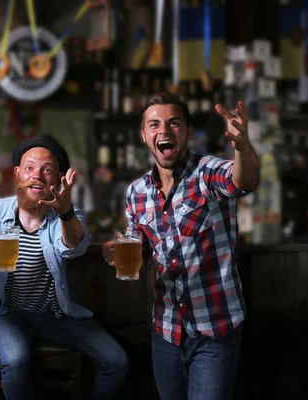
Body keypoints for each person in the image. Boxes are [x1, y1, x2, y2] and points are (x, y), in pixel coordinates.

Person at [101, 92, 259, 400]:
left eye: (174, 123)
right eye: (154, 124)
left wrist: (242, 147)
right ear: (144, 135)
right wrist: (118, 253)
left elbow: (243, 180)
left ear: (187, 131)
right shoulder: (136, 192)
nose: (164, 130)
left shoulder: (207, 172)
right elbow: (143, 246)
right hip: (166, 330)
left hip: (214, 329)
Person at [0, 134, 128, 400]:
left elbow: (74, 247)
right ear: (17, 174)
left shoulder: (68, 214)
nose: (37, 175)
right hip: (5, 315)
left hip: (54, 314)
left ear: (58, 179)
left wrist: (65, 211)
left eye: (47, 170)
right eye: (30, 168)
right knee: (16, 360)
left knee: (116, 360)